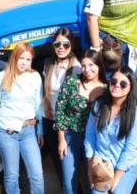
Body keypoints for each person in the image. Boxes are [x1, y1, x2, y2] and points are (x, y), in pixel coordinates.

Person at [0, 42, 44, 194]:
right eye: (21, 58)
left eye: (28, 59)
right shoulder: (1, 77)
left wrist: (40, 131)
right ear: (14, 58)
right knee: (12, 176)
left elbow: (38, 104)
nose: (24, 62)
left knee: (37, 175)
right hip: (6, 132)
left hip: (28, 131)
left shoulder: (35, 76)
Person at [84, 66, 137, 194]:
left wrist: (116, 178)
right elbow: (90, 135)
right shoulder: (99, 105)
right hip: (100, 162)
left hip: (125, 166)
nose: (117, 85)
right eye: (113, 82)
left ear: (130, 88)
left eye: (123, 84)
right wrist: (91, 166)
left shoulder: (136, 116)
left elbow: (130, 149)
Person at [54, 49, 106, 194]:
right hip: (71, 137)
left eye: (91, 65)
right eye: (83, 66)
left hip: (95, 141)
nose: (87, 69)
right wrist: (61, 139)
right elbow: (60, 111)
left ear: (99, 66)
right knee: (70, 184)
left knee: (93, 183)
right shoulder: (72, 81)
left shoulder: (107, 88)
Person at [42, 27, 81, 186]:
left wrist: (62, 133)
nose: (61, 48)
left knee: (69, 168)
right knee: (58, 165)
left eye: (66, 44)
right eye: (57, 44)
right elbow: (45, 94)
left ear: (72, 45)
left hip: (67, 125)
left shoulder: (76, 68)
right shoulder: (48, 64)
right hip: (50, 120)